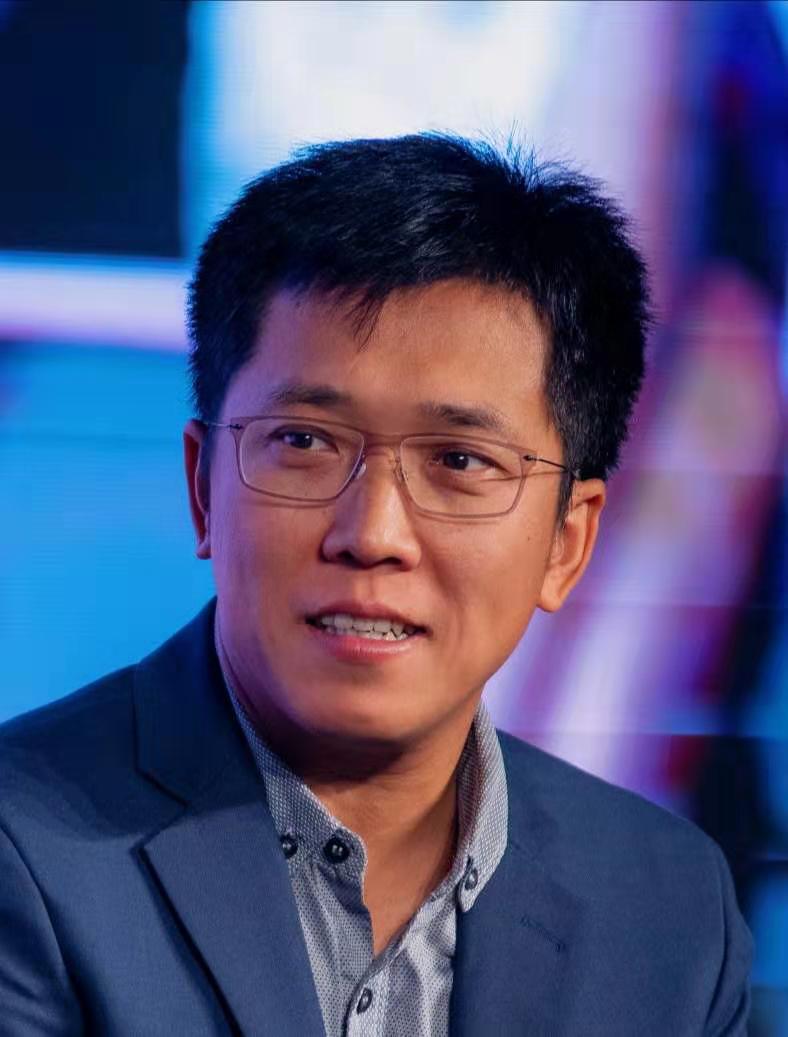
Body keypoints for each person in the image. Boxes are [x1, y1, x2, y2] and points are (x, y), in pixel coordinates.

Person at [0, 133, 752, 1037]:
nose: (373, 535)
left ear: (567, 541)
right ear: (203, 489)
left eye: (460, 461)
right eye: (305, 443)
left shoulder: (670, 910)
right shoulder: (22, 853)